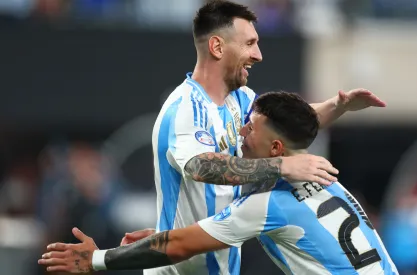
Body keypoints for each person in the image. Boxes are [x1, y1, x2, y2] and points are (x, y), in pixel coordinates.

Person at [115, 0, 386, 274]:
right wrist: (282, 165)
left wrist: (336, 106)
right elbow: (201, 166)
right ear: (217, 47)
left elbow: (281, 130)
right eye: (249, 43)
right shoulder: (185, 109)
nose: (258, 54)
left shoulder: (240, 99)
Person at [38, 91, 398, 275]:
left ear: (274, 148)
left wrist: (98, 259)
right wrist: (336, 105)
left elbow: (180, 245)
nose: (241, 132)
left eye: (250, 128)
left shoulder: (265, 205)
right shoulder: (331, 184)